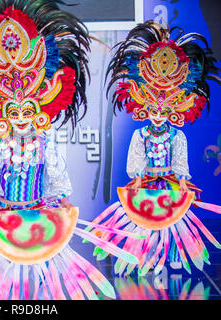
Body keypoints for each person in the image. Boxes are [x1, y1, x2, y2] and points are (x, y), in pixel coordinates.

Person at [0, 0, 140, 300]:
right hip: (6, 215)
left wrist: (59, 198)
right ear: (2, 111)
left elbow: (54, 170)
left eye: (27, 112)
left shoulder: (44, 138)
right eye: (14, 112)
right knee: (3, 271)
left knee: (41, 272)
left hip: (39, 214)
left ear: (39, 108)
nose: (21, 119)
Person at [88, 21, 221, 276]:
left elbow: (181, 161)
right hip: (147, 182)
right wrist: (137, 178)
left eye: (164, 110)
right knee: (146, 222)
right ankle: (145, 256)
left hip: (169, 183)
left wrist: (182, 180)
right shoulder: (140, 134)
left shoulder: (177, 136)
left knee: (172, 222)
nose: (158, 115)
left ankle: (171, 257)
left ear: (174, 110)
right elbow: (135, 159)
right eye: (153, 110)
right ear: (144, 108)